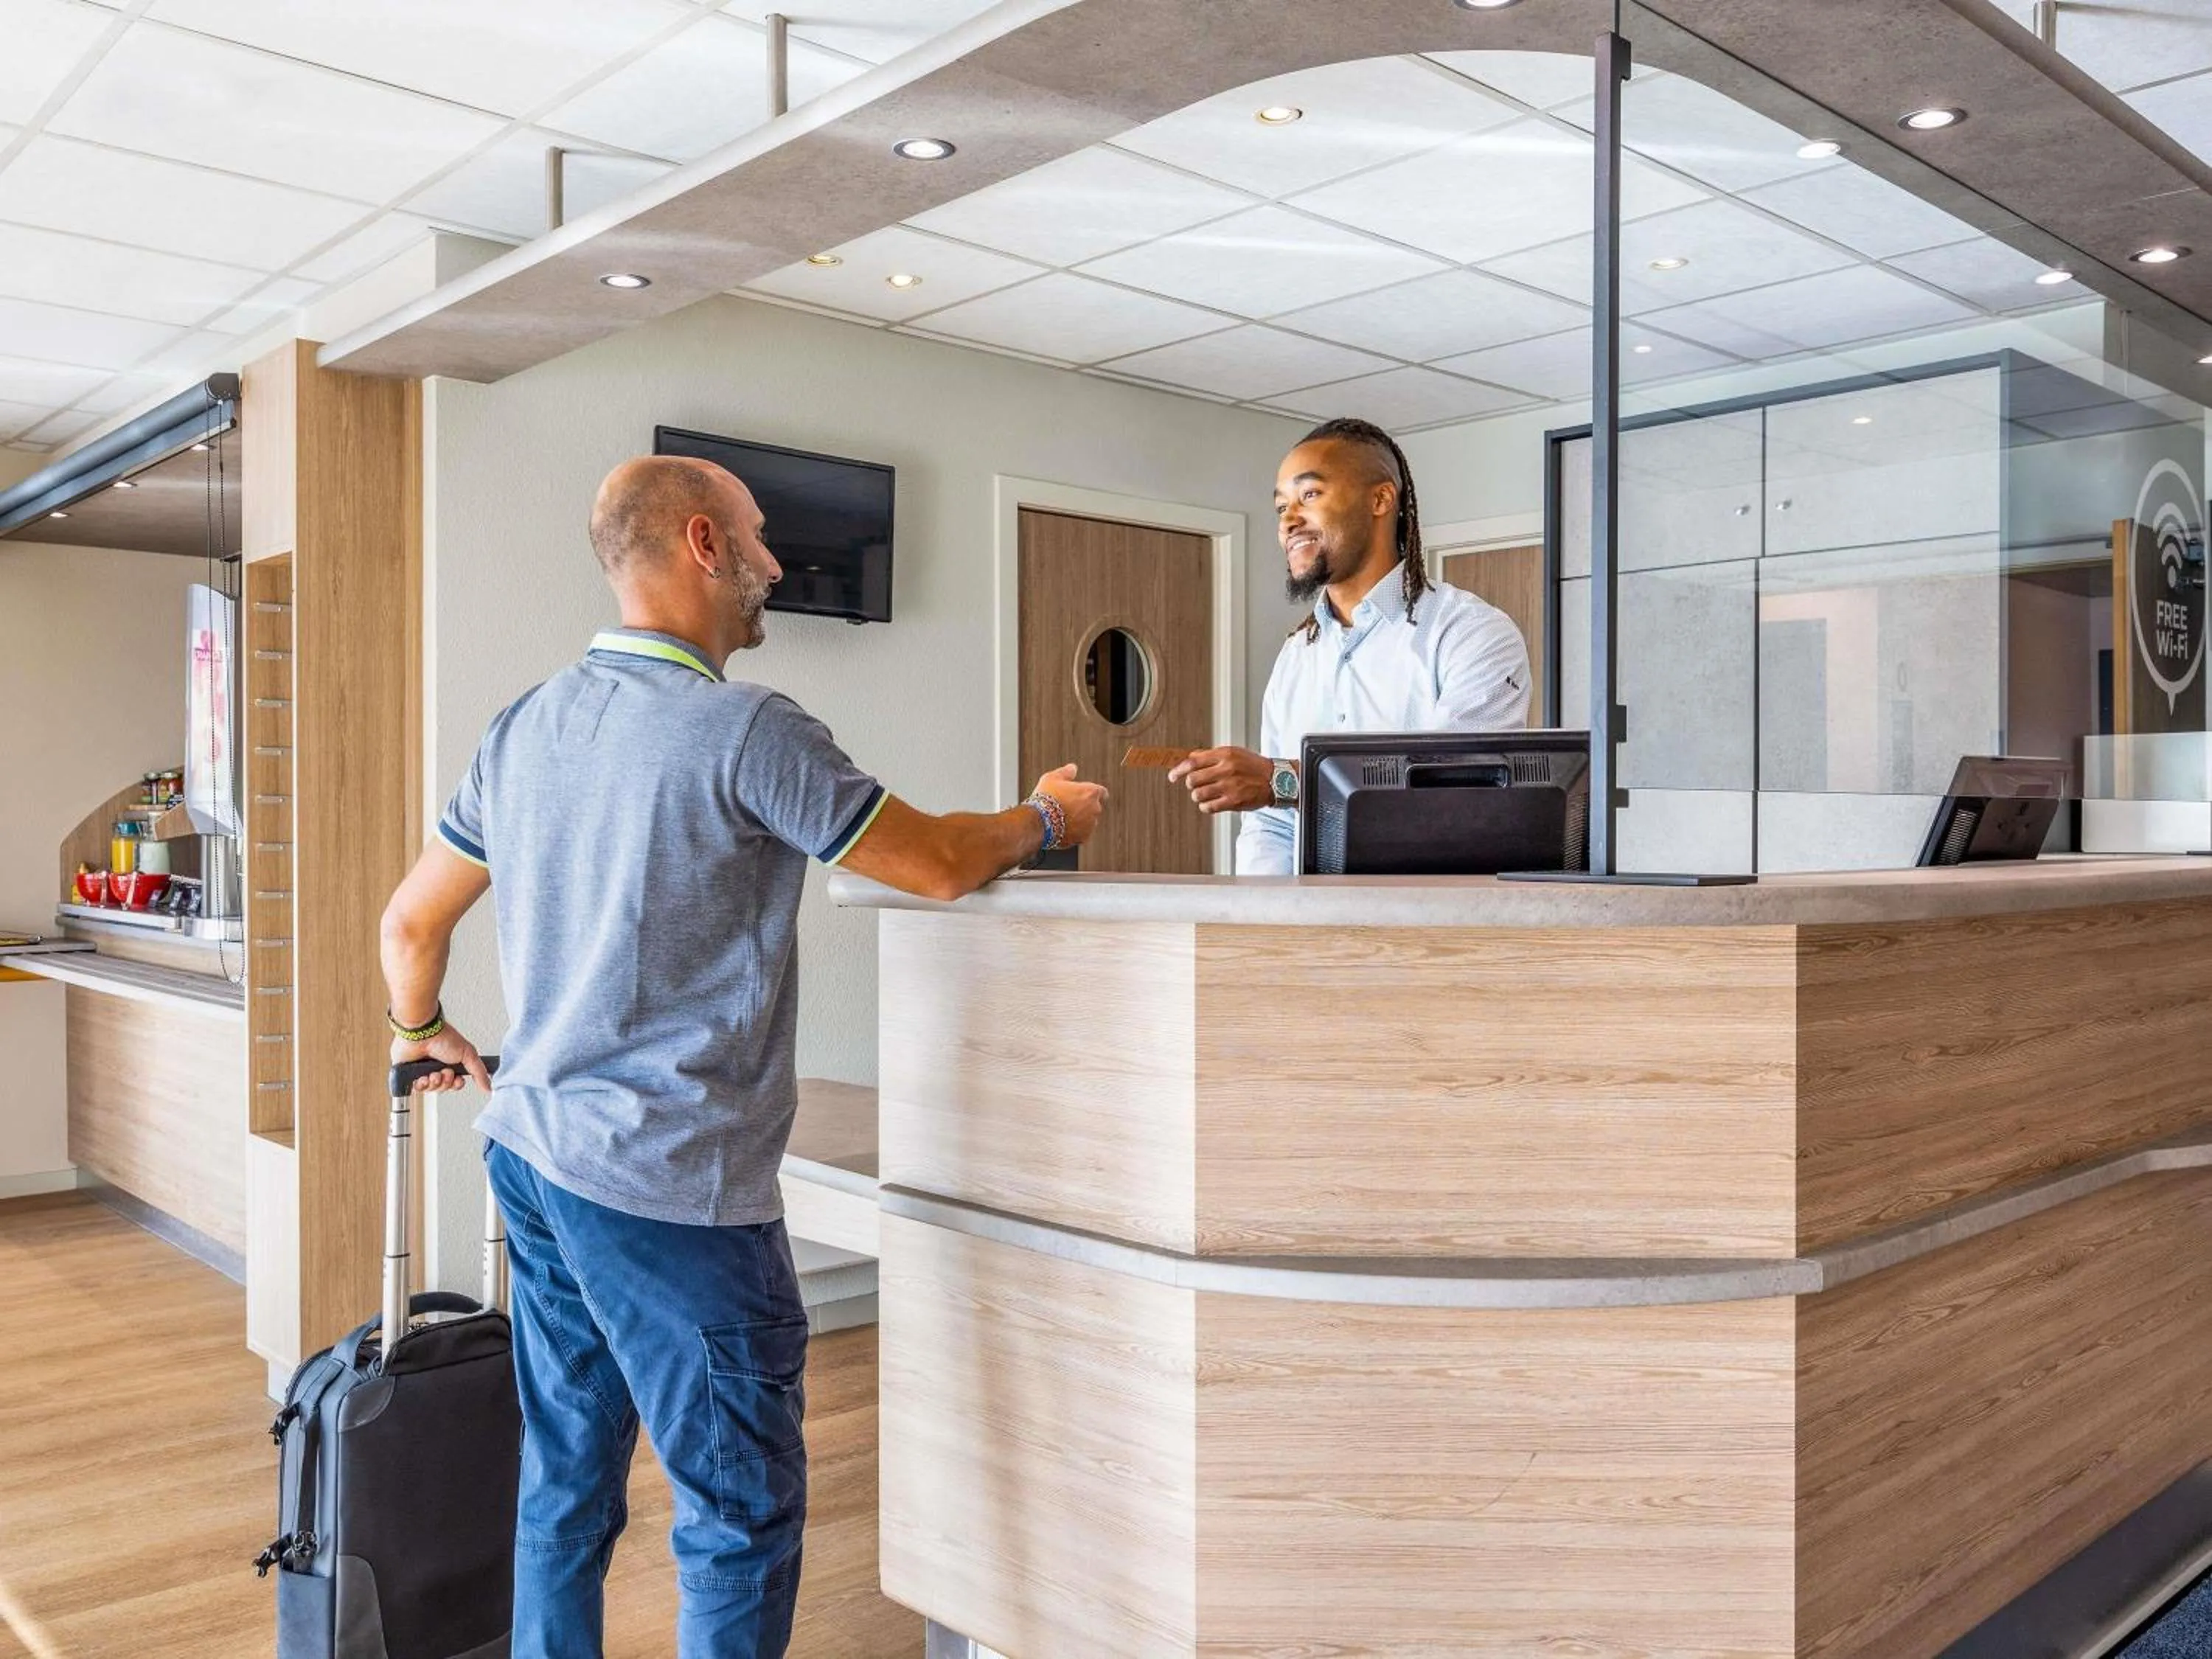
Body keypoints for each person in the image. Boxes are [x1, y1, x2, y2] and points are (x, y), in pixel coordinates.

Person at [377, 454, 1106, 1658]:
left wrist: (421, 1032)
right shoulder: (746, 730)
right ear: (705, 545)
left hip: (537, 1161)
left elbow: (410, 923)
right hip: (676, 1202)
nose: (777, 565)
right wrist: (1046, 818)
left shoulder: (528, 724)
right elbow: (932, 862)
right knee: (738, 1518)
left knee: (566, 1486)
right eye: (762, 540)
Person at [1171, 417, 1531, 875]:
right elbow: (1273, 826)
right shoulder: (1297, 654)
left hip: (1427, 930)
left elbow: (1451, 794)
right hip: (1308, 934)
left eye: (1310, 495)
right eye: (1281, 507)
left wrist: (1284, 780)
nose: (1289, 521)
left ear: (1381, 499)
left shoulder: (1471, 634)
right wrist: (1263, 926)